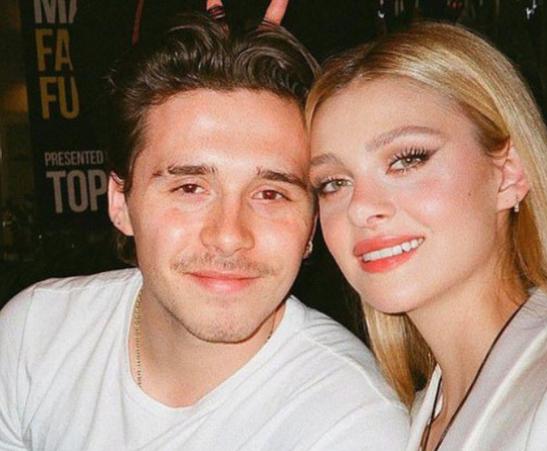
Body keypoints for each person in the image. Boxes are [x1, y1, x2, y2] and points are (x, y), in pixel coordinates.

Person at [0, 12, 410, 450]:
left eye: (270, 194)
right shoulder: (37, 334)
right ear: (120, 202)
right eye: (190, 188)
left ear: (311, 225)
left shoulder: (350, 423)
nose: (229, 236)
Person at [306, 22, 547, 451]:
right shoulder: (420, 414)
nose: (360, 207)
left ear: (509, 175)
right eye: (333, 183)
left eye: (407, 160)